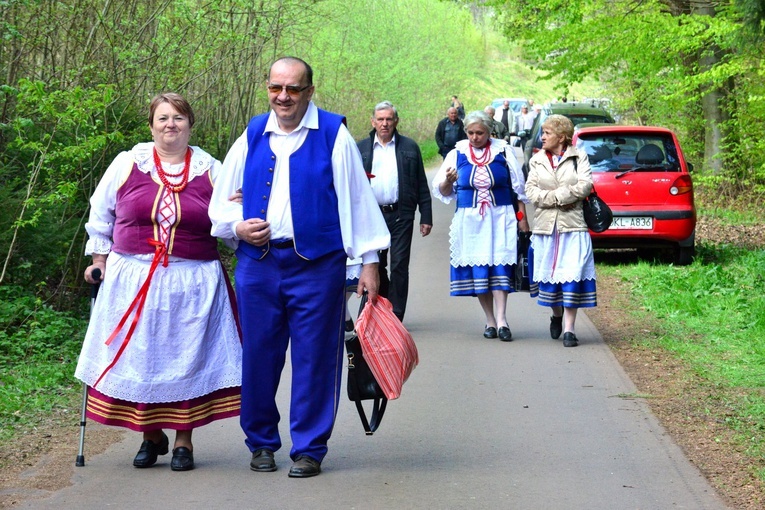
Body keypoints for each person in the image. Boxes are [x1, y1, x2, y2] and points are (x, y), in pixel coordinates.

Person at [208, 56, 390, 478]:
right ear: (268, 89)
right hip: (258, 265)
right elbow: (219, 201)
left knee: (315, 357)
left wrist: (369, 262)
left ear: (309, 91)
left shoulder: (333, 135)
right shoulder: (252, 134)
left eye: (293, 88)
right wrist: (235, 225)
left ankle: (309, 447)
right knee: (258, 356)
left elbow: (356, 202)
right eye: (276, 88)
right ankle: (261, 443)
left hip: (317, 266)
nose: (283, 96)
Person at [75, 93, 243, 472]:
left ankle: (184, 441)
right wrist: (98, 259)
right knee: (144, 357)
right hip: (132, 279)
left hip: (194, 281)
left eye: (179, 118)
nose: (171, 125)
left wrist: (238, 209)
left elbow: (229, 229)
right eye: (163, 118)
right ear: (151, 125)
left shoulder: (212, 169)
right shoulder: (126, 163)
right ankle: (150, 435)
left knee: (187, 359)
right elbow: (101, 213)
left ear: (190, 124)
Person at [432, 110, 530, 341]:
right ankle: (490, 320)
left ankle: (503, 319)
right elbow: (443, 192)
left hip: (500, 217)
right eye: (471, 132)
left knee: (499, 266)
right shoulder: (457, 154)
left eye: (480, 133)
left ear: (490, 132)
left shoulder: (503, 151)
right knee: (479, 270)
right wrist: (448, 180)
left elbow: (519, 190)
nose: (475, 137)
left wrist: (522, 220)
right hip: (470, 221)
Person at [524, 114, 597, 348]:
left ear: (562, 137)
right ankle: (556, 315)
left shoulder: (579, 156)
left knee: (572, 273)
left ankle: (569, 329)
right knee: (550, 276)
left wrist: (557, 196)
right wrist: (557, 198)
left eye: (547, 133)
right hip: (545, 227)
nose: (542, 136)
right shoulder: (537, 160)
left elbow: (585, 185)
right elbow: (530, 191)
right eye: (542, 132)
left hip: (573, 225)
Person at [357, 101, 433, 321]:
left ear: (396, 121)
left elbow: (420, 183)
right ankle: (380, 308)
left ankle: (395, 316)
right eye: (380, 119)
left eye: (389, 119)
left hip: (401, 214)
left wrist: (425, 215)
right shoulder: (360, 148)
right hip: (371, 217)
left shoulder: (409, 147)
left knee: (399, 264)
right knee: (375, 264)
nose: (384, 123)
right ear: (372, 121)